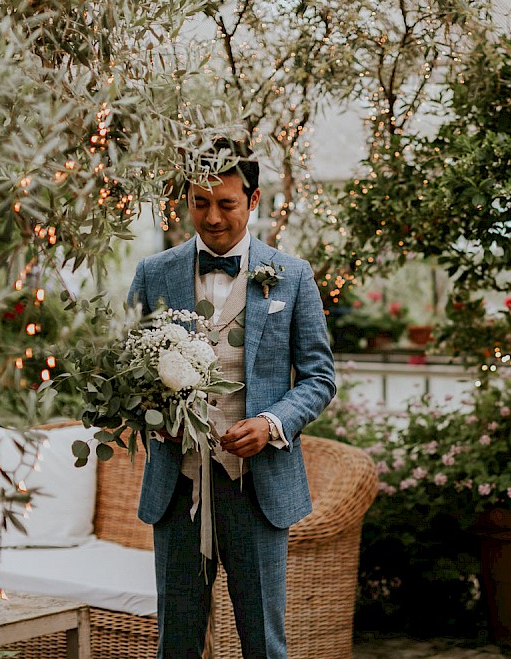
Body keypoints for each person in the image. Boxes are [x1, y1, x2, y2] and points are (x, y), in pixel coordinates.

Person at [128, 138, 336, 658]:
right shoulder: (153, 274)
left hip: (257, 488)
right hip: (177, 487)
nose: (213, 217)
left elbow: (319, 377)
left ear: (254, 199)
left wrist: (271, 423)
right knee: (176, 640)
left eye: (226, 203)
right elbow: (127, 375)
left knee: (263, 643)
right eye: (201, 202)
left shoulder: (294, 275)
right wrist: (154, 418)